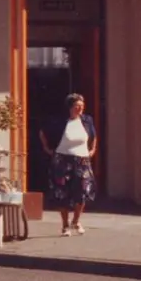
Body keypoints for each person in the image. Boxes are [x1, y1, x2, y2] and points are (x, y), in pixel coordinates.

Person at [39, 93, 97, 236]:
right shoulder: (60, 121)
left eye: (82, 106)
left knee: (83, 191)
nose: (80, 108)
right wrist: (47, 148)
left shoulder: (87, 120)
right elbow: (42, 132)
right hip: (63, 160)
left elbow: (93, 136)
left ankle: (76, 221)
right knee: (62, 193)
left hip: (82, 161)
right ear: (70, 107)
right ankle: (65, 225)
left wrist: (93, 149)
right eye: (77, 106)